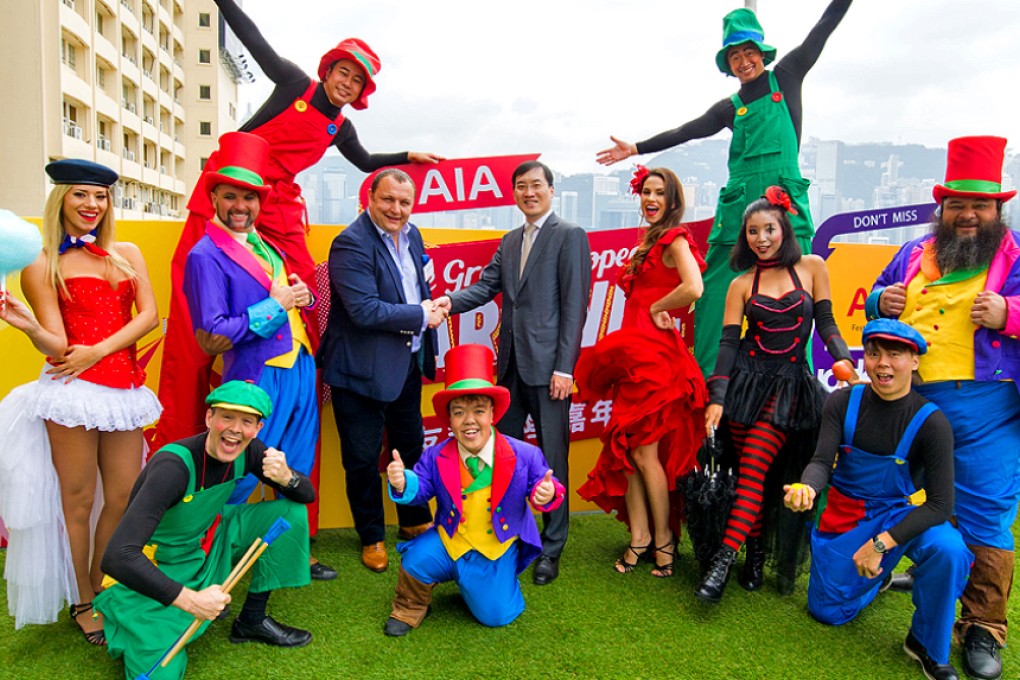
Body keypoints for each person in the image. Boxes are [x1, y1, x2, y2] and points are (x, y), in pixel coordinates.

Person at [153, 0, 443, 459]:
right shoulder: (293, 83)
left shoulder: (339, 128)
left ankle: (308, 378)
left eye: (357, 80)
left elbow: (366, 162)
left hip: (280, 203)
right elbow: (251, 37)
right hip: (239, 185)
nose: (347, 83)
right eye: (343, 72)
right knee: (199, 293)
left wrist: (407, 156)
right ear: (328, 70)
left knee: (304, 286)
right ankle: (190, 428)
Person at [596, 0, 852, 377]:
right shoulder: (729, 107)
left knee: (799, 284)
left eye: (749, 51)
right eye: (735, 55)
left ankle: (800, 381)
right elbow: (687, 130)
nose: (743, 61)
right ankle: (708, 380)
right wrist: (636, 148)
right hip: (739, 199)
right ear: (728, 64)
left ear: (761, 53)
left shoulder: (789, 74)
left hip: (784, 199)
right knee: (716, 288)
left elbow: (824, 27)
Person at [866, 135, 1020, 680]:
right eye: (957, 204)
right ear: (943, 208)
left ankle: (983, 626)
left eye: (980, 204)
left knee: (987, 515)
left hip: (988, 408)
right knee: (896, 495)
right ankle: (933, 576)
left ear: (997, 209)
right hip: (913, 404)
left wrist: (1009, 313)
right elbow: (877, 301)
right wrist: (880, 302)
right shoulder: (912, 253)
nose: (968, 214)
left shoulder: (1017, 254)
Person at [0, 160, 160, 640]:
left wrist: (100, 350)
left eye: (100, 196)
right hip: (71, 394)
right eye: (80, 195)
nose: (92, 205)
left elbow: (149, 316)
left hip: (123, 391)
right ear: (61, 200)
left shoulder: (127, 252)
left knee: (123, 496)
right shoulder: (40, 262)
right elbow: (57, 346)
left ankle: (104, 579)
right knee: (77, 499)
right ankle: (83, 598)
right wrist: (28, 326)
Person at [182, 131, 335, 581]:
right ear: (214, 197)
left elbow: (282, 298)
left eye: (249, 197)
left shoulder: (268, 245)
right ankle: (206, 559)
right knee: (239, 473)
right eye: (231, 196)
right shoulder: (204, 255)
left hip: (300, 367)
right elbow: (211, 336)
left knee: (295, 466)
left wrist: (299, 297)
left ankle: (290, 553)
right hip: (254, 377)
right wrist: (277, 305)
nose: (241, 206)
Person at [695, 186, 857, 602]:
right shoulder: (740, 283)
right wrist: (717, 397)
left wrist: (844, 362)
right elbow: (729, 345)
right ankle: (754, 554)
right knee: (756, 477)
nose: (761, 238)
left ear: (784, 227)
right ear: (744, 237)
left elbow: (827, 322)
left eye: (769, 228)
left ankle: (722, 562)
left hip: (789, 389)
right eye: (752, 231)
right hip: (746, 387)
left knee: (752, 471)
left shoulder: (812, 266)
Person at [785, 319, 971, 680]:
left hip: (897, 517)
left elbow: (940, 505)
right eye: (873, 354)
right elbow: (822, 461)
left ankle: (925, 644)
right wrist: (807, 487)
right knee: (828, 613)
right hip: (847, 514)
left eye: (894, 355)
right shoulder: (841, 401)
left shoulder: (932, 423)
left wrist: (882, 544)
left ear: (914, 361)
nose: (882, 364)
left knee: (949, 549)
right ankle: (877, 580)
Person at [434, 160, 591, 586]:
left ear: (550, 190)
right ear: (514, 193)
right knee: (508, 459)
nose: (528, 193)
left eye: (536, 185)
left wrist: (564, 367)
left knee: (552, 459)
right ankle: (516, 538)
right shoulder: (509, 240)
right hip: (508, 369)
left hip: (550, 370)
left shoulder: (569, 236)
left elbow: (575, 307)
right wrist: (448, 303)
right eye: (521, 187)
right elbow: (486, 287)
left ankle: (552, 548)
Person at [95, 381, 314, 680]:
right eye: (227, 417)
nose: (235, 429)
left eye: (247, 421)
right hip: (157, 568)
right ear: (210, 418)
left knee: (289, 513)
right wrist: (191, 601)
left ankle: (252, 620)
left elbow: (306, 496)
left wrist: (288, 478)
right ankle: (157, 619)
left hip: (208, 543)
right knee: (159, 673)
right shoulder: (173, 467)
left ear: (258, 428)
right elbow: (118, 557)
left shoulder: (249, 452)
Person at [574, 167, 707, 577]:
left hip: (655, 360)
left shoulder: (674, 237)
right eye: (646, 192)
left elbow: (695, 287)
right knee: (627, 450)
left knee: (645, 453)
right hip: (635, 357)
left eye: (659, 193)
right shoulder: (648, 241)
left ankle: (664, 539)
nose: (650, 199)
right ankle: (640, 536)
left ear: (673, 201)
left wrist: (656, 308)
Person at [382, 344, 565, 636]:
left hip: (494, 548)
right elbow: (421, 488)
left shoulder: (524, 455)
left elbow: (544, 486)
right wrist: (403, 482)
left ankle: (495, 583)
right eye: (459, 412)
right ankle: (410, 606)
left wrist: (548, 493)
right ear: (450, 420)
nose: (469, 420)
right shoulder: (436, 455)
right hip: (450, 541)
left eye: (478, 410)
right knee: (415, 560)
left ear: (492, 413)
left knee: (496, 616)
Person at [319, 169, 444, 573]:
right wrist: (422, 314)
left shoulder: (413, 236)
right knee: (361, 459)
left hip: (405, 363)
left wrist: (428, 309)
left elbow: (415, 292)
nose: (396, 209)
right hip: (359, 371)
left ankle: (411, 521)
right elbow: (364, 310)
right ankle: (371, 535)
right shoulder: (350, 243)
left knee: (410, 448)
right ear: (370, 197)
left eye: (404, 203)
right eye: (388, 200)